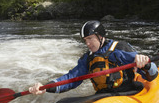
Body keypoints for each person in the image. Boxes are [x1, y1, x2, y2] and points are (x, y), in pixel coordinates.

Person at [29, 20, 158, 96]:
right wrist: (46, 87)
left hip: (126, 93)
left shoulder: (120, 49)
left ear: (100, 36)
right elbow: (71, 79)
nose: (87, 43)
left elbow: (152, 74)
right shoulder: (88, 58)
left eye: (90, 38)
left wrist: (145, 64)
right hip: (103, 97)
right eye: (85, 40)